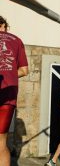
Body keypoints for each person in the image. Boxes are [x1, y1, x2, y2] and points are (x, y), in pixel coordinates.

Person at [0, 16, 28, 166]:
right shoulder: (16, 40)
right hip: (8, 94)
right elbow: (24, 70)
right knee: (1, 143)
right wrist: (8, 71)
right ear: (3, 25)